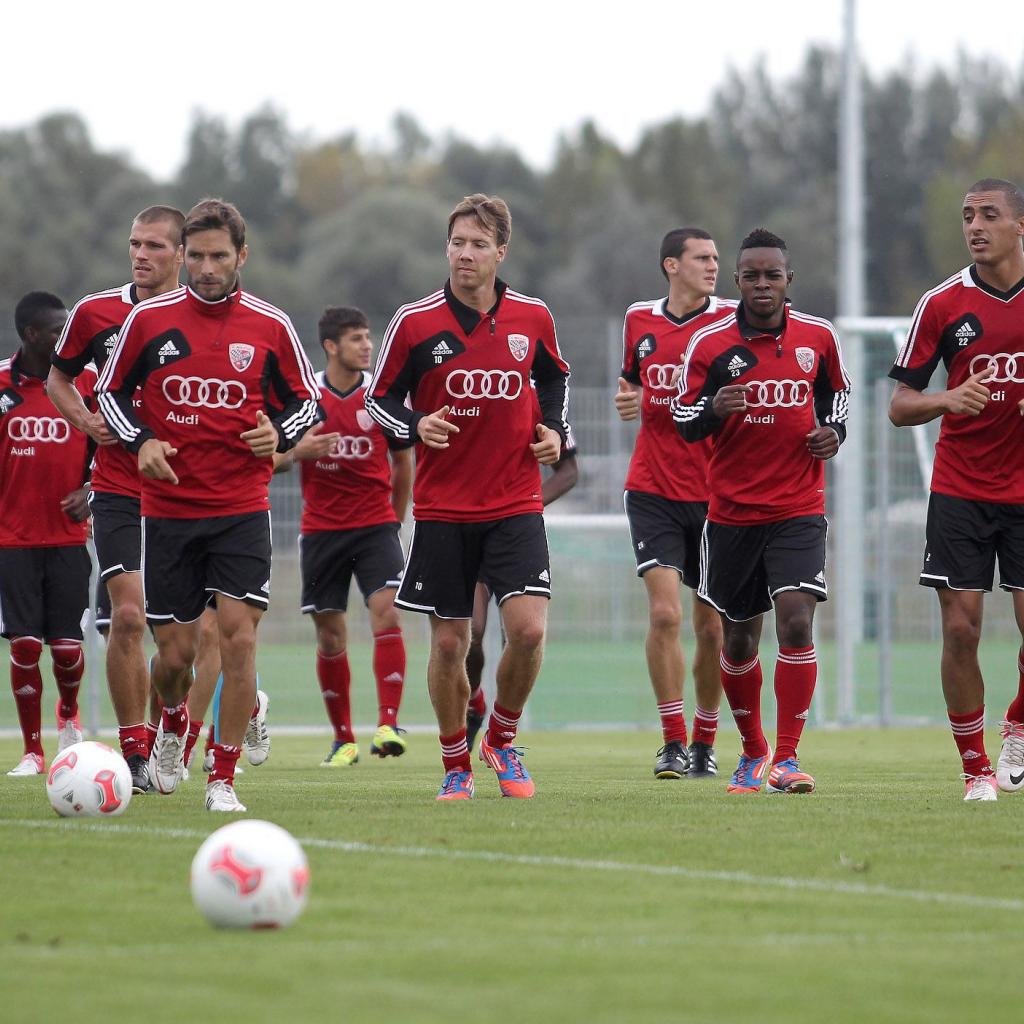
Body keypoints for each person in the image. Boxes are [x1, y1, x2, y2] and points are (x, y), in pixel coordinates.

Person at [96, 198, 321, 811]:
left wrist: (279, 434)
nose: (206, 268)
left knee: (239, 639)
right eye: (196, 256)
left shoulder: (271, 325)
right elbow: (110, 394)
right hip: (168, 512)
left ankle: (221, 779)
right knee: (174, 657)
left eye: (219, 256)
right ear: (184, 255)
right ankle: (172, 721)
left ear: (242, 255)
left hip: (241, 508)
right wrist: (141, 441)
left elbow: (307, 403)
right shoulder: (148, 322)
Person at [366, 193, 571, 800]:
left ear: (500, 251)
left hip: (515, 503)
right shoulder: (415, 322)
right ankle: (456, 764)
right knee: (452, 642)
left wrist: (553, 428)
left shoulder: (532, 316)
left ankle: (501, 740)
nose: (465, 254)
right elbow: (380, 399)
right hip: (443, 511)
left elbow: (554, 376)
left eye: (479, 244)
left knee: (528, 631)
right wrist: (415, 424)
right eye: (457, 242)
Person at [673, 228, 851, 795]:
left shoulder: (818, 337)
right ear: (737, 281)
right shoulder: (709, 345)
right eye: (751, 276)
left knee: (796, 619)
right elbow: (682, 418)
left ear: (788, 280)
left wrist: (834, 432)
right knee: (738, 641)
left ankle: (788, 759)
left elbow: (838, 396)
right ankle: (753, 751)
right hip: (732, 516)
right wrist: (714, 409)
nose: (762, 284)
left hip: (799, 507)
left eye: (772, 275)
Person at [889, 177, 1024, 802]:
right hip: (961, 490)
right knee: (961, 630)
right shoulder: (942, 304)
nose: (975, 226)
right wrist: (948, 398)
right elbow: (900, 405)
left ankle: (1017, 725)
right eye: (968, 215)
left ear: (1019, 225)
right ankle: (976, 771)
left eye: (989, 215)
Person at [48, 206, 185, 792]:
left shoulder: (203, 318)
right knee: (127, 617)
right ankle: (134, 755)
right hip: (118, 489)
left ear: (181, 254)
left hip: (188, 493)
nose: (141, 255)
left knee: (182, 641)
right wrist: (87, 420)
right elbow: (58, 378)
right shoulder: (95, 312)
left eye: (155, 246)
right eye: (135, 244)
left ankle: (174, 722)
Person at [615, 227, 730, 780]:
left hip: (717, 495)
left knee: (712, 627)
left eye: (716, 258)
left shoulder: (731, 322)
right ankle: (672, 741)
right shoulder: (639, 319)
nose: (713, 266)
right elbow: (630, 384)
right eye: (702, 257)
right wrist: (629, 399)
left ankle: (706, 741)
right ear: (671, 265)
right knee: (665, 614)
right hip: (653, 489)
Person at [278, 305, 413, 767]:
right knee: (331, 636)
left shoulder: (380, 397)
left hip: (376, 527)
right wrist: (300, 450)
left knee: (388, 612)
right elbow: (270, 459)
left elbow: (403, 462)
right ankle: (343, 740)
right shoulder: (307, 398)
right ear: (331, 346)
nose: (367, 346)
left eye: (368, 337)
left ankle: (389, 724)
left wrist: (394, 519)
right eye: (356, 338)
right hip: (321, 532)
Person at [1, 292, 91, 775]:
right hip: (12, 541)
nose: (67, 338)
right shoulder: (1, 384)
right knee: (25, 646)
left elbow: (112, 449)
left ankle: (69, 714)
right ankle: (33, 751)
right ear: (32, 334)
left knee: (67, 649)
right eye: (59, 331)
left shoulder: (86, 383)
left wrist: (91, 491)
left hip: (68, 538)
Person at [464, 431, 577, 753]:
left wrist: (521, 506)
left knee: (524, 634)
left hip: (512, 533)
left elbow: (569, 472)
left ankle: (501, 733)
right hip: (464, 527)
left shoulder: (544, 406)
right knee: (469, 634)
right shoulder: (458, 403)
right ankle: (474, 700)